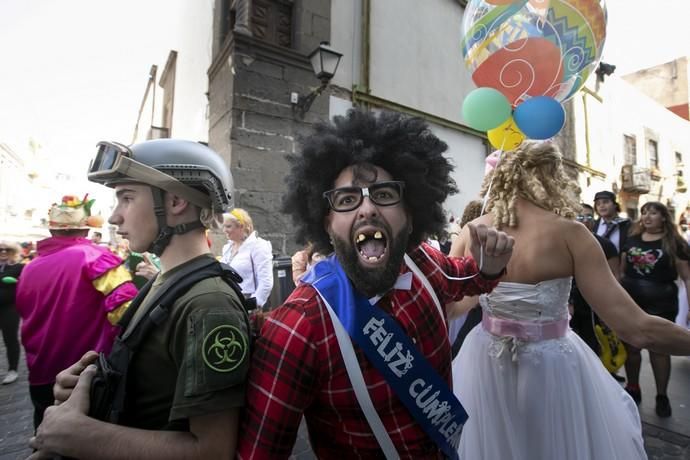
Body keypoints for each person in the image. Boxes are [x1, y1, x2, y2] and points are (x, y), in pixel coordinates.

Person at [238, 109, 513, 459]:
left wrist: (489, 268)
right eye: (348, 200)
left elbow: (465, 278)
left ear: (410, 214)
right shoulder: (298, 328)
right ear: (327, 223)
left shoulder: (423, 262)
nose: (367, 209)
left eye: (383, 194)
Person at [450, 141, 690, 460]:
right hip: (551, 364)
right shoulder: (570, 234)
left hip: (483, 363)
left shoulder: (472, 230)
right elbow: (637, 329)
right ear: (550, 176)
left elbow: (453, 307)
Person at [29, 139, 250, 459]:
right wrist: (90, 389)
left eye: (127, 198)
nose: (113, 218)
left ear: (175, 201)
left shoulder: (209, 304)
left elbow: (212, 451)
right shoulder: (165, 280)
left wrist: (80, 435)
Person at [15, 195, 137, 429]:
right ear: (86, 230)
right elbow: (127, 312)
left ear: (52, 232)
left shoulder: (29, 268)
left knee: (45, 434)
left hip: (40, 372)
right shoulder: (95, 257)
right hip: (86, 376)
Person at [619, 201, 690, 417]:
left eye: (653, 212)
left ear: (664, 218)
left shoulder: (673, 242)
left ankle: (661, 396)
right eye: (644, 212)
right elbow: (621, 273)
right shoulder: (631, 240)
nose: (647, 216)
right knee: (631, 349)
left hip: (662, 303)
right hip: (632, 301)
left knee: (659, 350)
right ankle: (633, 388)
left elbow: (687, 277)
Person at [569, 203, 619, 353]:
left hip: (594, 305)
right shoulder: (562, 243)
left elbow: (614, 278)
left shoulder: (606, 245)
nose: (584, 220)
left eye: (589, 216)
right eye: (580, 216)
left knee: (594, 346)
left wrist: (608, 309)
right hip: (567, 303)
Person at [220, 208, 273, 310]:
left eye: (228, 226)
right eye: (223, 226)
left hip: (248, 302)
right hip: (229, 301)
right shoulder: (227, 248)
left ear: (241, 226)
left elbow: (266, 282)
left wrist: (254, 303)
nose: (224, 230)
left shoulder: (258, 246)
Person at [0, 241, 23, 385]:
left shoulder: (19, 267)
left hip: (10, 308)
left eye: (6, 250)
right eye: (0, 249)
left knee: (10, 339)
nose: (3, 252)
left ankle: (12, 370)